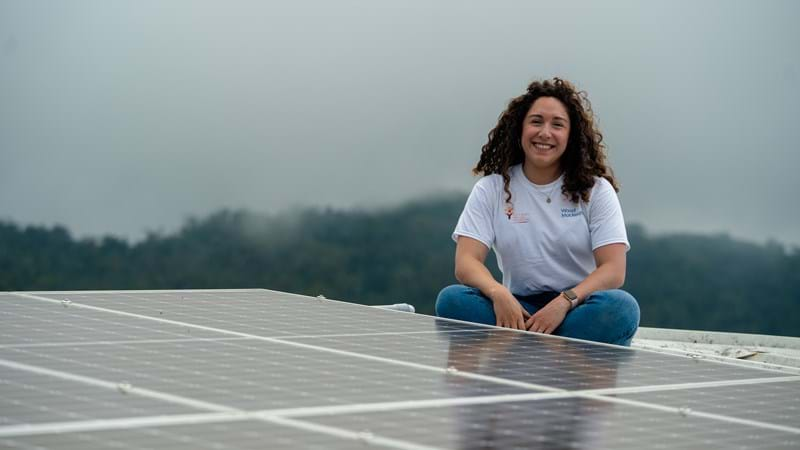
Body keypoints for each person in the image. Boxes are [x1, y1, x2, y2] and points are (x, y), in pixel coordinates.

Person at [435, 77, 640, 346]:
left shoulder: (597, 190)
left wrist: (564, 302)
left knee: (622, 308)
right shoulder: (492, 188)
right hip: (515, 308)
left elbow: (613, 269)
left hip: (576, 307)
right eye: (536, 121)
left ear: (571, 135)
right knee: (452, 300)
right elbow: (466, 262)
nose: (545, 132)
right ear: (520, 129)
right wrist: (498, 294)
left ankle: (522, 344)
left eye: (557, 124)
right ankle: (552, 345)